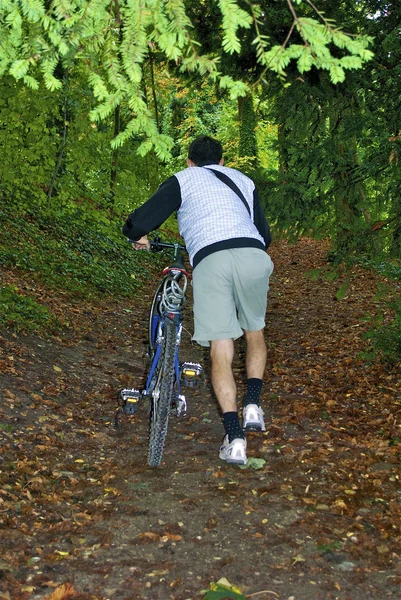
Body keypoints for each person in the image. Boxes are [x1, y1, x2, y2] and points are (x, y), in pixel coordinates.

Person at [123, 135, 273, 465]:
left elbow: (142, 218)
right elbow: (265, 234)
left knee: (222, 344)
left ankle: (235, 439)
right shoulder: (243, 180)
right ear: (221, 162)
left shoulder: (184, 178)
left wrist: (139, 236)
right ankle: (254, 404)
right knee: (254, 331)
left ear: (189, 162)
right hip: (254, 254)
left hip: (212, 259)